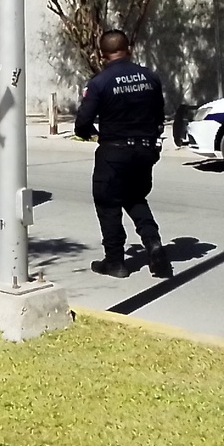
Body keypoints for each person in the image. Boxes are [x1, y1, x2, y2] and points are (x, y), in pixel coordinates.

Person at [75, 30, 173, 279]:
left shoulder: (100, 82)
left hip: (115, 152)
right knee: (135, 198)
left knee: (108, 203)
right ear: (129, 48)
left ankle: (116, 262)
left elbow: (82, 122)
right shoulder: (150, 77)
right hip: (146, 150)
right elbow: (159, 115)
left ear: (101, 54)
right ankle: (153, 244)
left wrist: (90, 133)